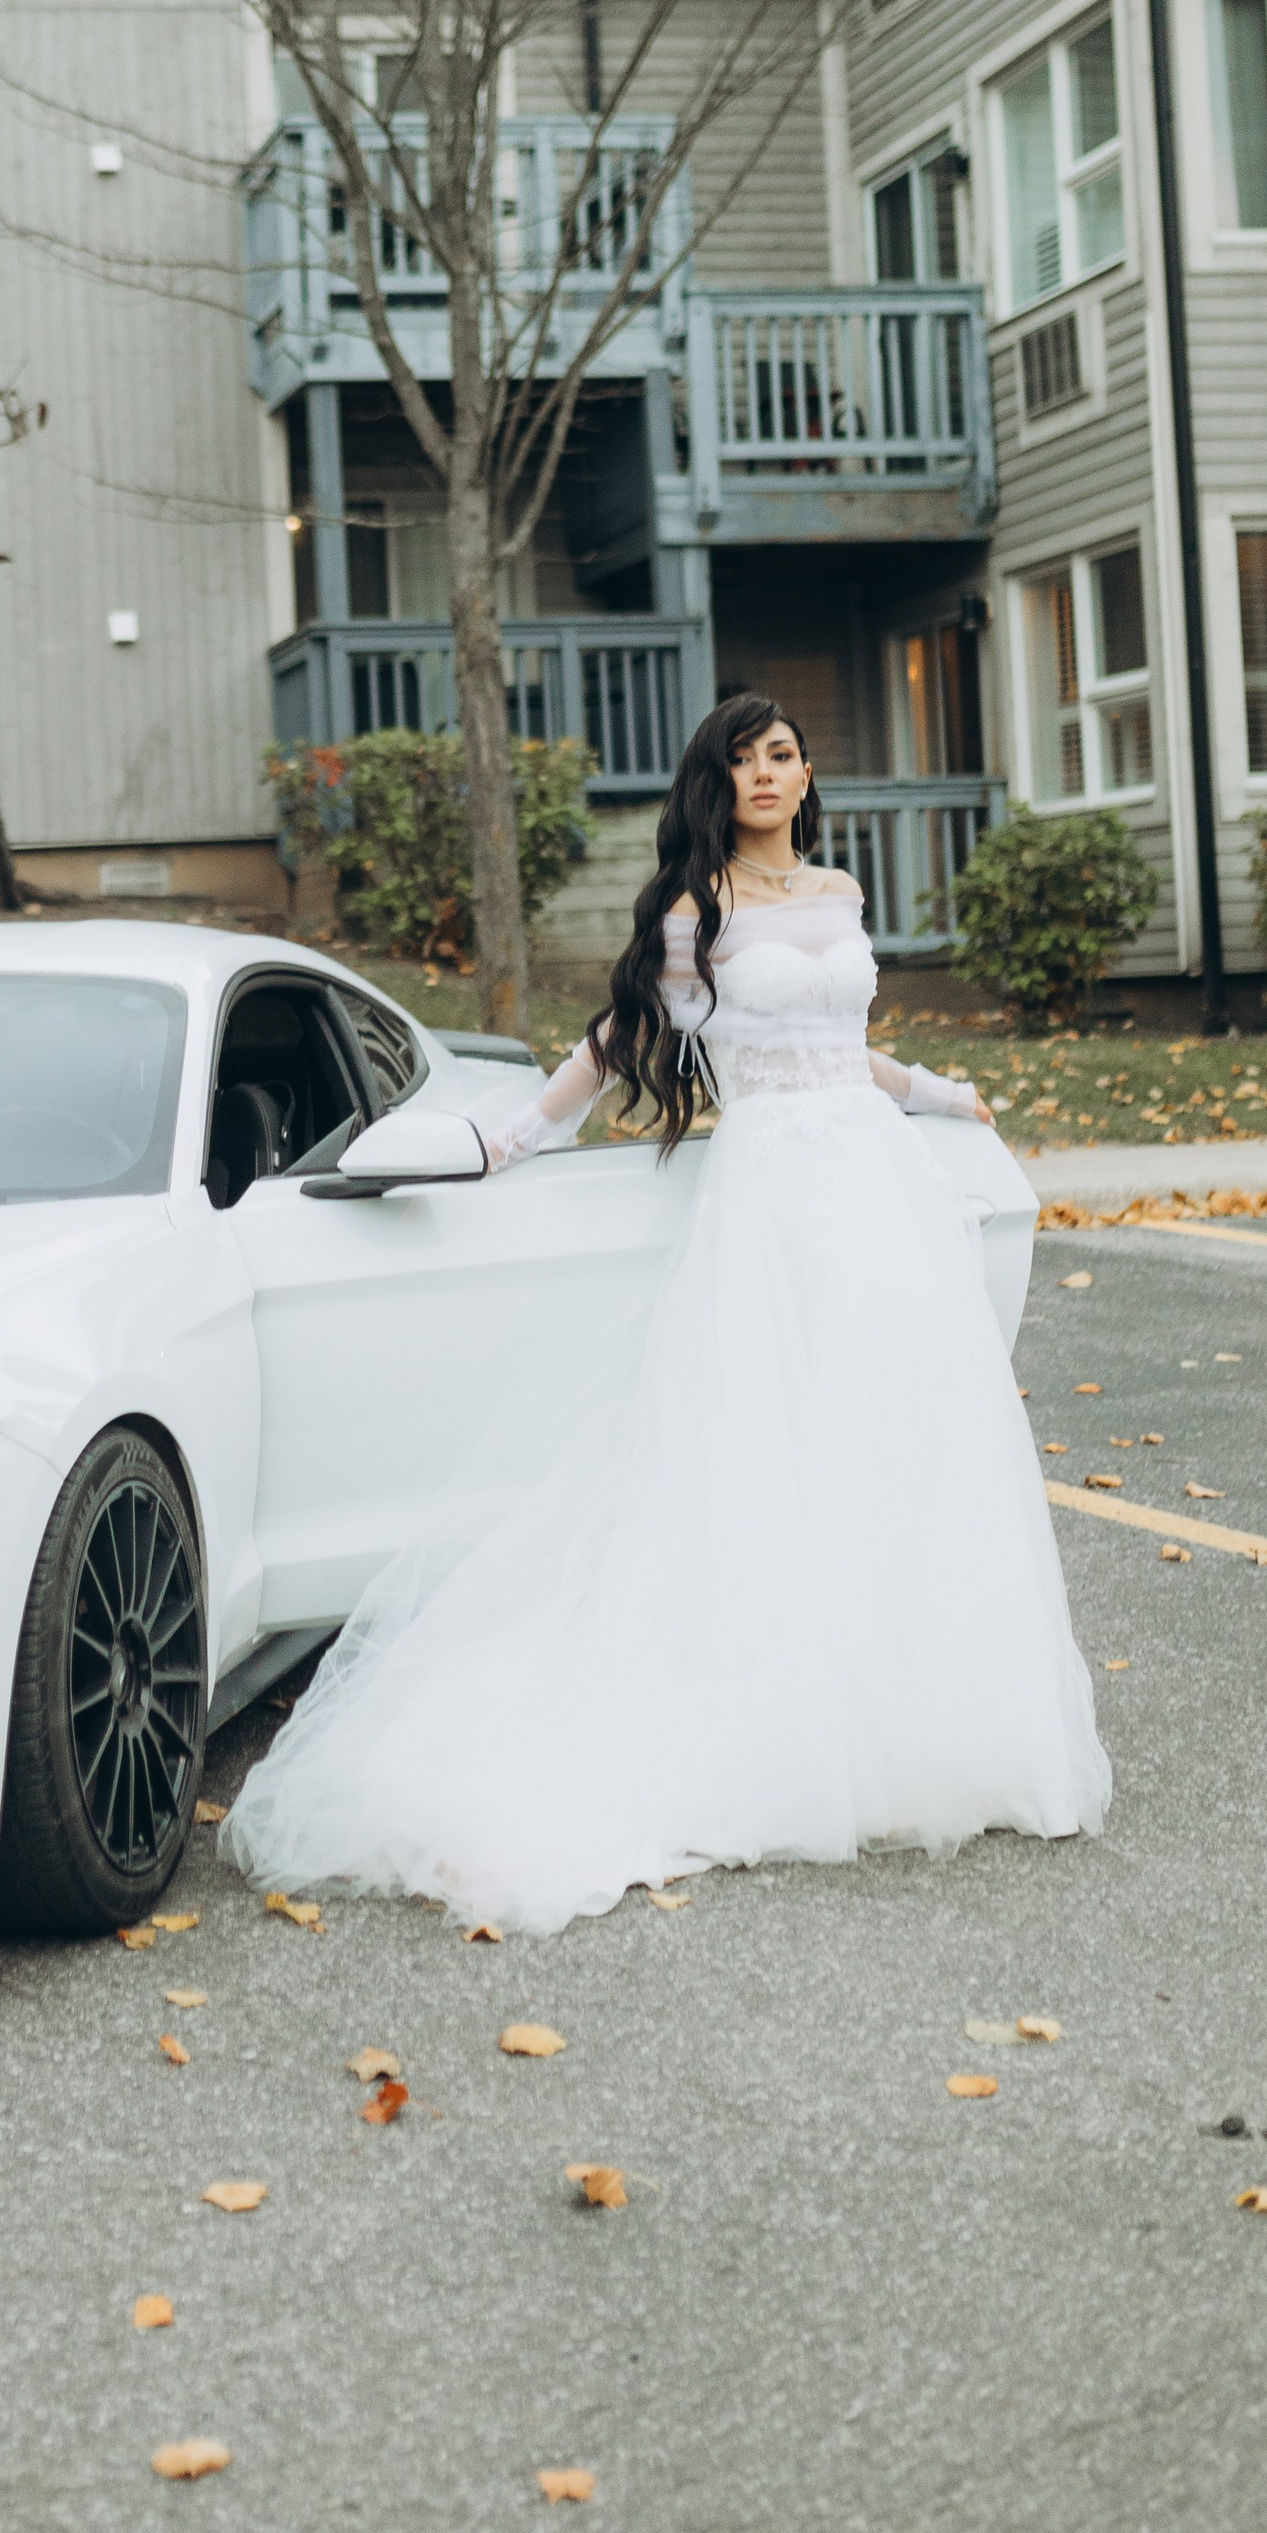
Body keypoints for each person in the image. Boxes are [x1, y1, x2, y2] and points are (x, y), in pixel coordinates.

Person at [223, 691, 1110, 1936]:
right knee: (772, 1446)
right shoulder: (699, 912)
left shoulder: (840, 892)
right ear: (717, 782)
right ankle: (782, 1731)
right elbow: (618, 1038)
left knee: (895, 1439)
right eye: (743, 759)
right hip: (772, 1194)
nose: (766, 774)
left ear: (806, 775)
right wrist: (512, 1139)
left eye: (783, 754)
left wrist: (938, 1091)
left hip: (876, 1183)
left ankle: (910, 1719)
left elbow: (844, 1047)